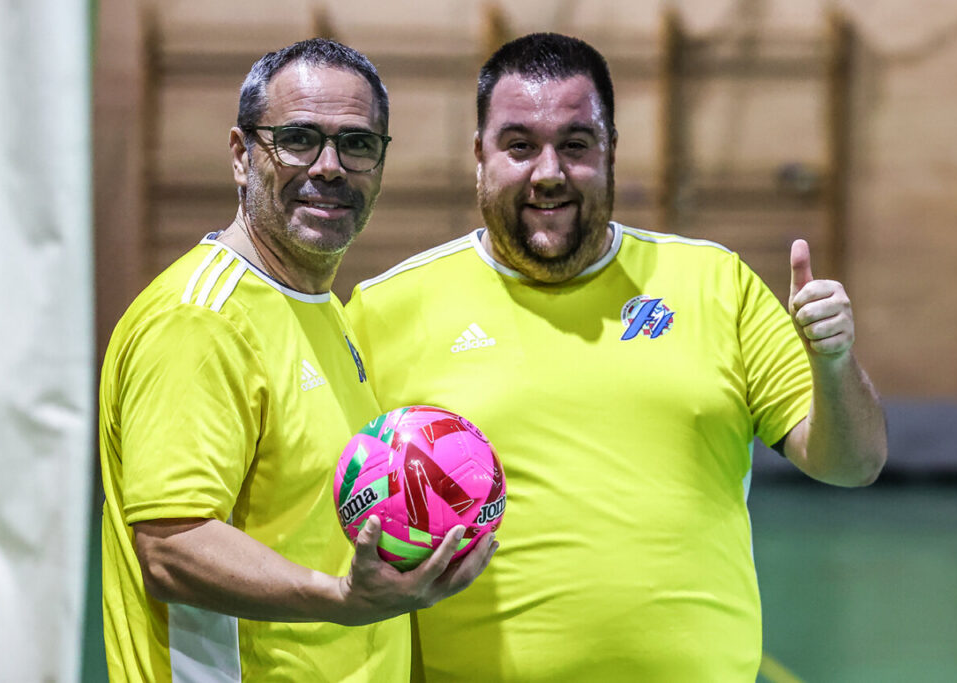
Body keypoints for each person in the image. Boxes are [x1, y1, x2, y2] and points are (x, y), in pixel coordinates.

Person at [345, 32, 887, 681]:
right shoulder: (386, 310)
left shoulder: (717, 284)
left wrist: (833, 362)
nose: (549, 171)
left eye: (575, 145)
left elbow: (853, 462)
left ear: (610, 154)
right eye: (519, 145)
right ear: (479, 157)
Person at [98, 38, 497, 682]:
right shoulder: (200, 321)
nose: (330, 166)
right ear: (240, 154)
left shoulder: (324, 310)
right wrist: (341, 601)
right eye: (298, 139)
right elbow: (171, 547)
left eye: (358, 144)